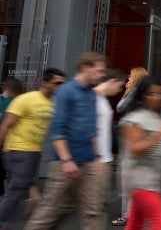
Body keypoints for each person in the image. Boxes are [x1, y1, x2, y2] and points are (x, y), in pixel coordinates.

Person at [25, 52, 106, 229]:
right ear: (85, 67)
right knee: (50, 211)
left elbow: (92, 129)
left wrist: (98, 156)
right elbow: (58, 129)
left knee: (93, 211)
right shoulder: (65, 92)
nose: (101, 75)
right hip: (65, 163)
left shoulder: (92, 95)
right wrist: (67, 160)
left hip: (89, 161)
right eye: (99, 71)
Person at [119, 76, 161, 230]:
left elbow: (156, 141)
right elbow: (135, 150)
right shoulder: (134, 119)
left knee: (135, 222)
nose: (158, 98)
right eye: (152, 94)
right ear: (142, 96)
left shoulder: (156, 117)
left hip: (151, 179)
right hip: (140, 180)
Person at [0, 68, 64, 228]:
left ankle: (34, 196)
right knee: (17, 186)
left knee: (23, 185)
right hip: (18, 149)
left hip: (34, 151)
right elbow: (6, 125)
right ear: (46, 82)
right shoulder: (26, 99)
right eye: (57, 83)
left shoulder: (53, 104)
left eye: (62, 83)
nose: (60, 86)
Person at [112, 67, 147, 227]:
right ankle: (137, 212)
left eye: (130, 78)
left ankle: (128, 215)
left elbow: (120, 108)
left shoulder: (135, 93)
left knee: (127, 177)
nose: (128, 81)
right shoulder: (143, 95)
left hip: (130, 138)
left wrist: (129, 90)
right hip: (137, 137)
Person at [93, 69, 126, 228]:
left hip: (102, 161)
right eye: (119, 86)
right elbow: (89, 131)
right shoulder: (92, 99)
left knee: (99, 206)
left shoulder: (102, 100)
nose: (119, 90)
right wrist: (98, 158)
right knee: (96, 207)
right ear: (112, 81)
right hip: (95, 162)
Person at [0, 77, 24, 201]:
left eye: (5, 87)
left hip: (7, 142)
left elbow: (4, 122)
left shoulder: (9, 101)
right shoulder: (19, 101)